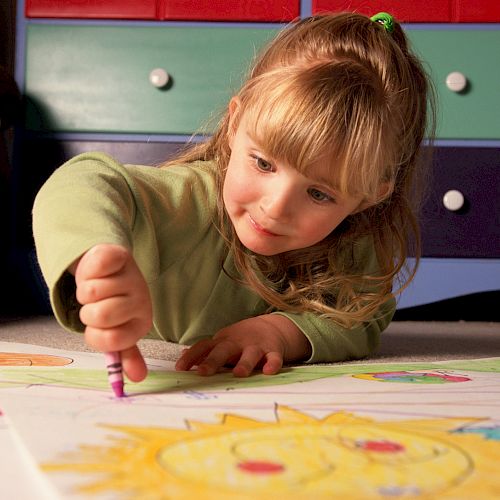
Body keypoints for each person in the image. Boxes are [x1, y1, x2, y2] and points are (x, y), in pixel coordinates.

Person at [32, 12, 434, 383]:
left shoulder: (354, 244)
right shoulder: (190, 196)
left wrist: (280, 331)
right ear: (235, 122)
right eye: (263, 164)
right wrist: (93, 255)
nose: (275, 207)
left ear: (370, 195)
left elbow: (363, 318)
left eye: (318, 193)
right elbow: (82, 181)